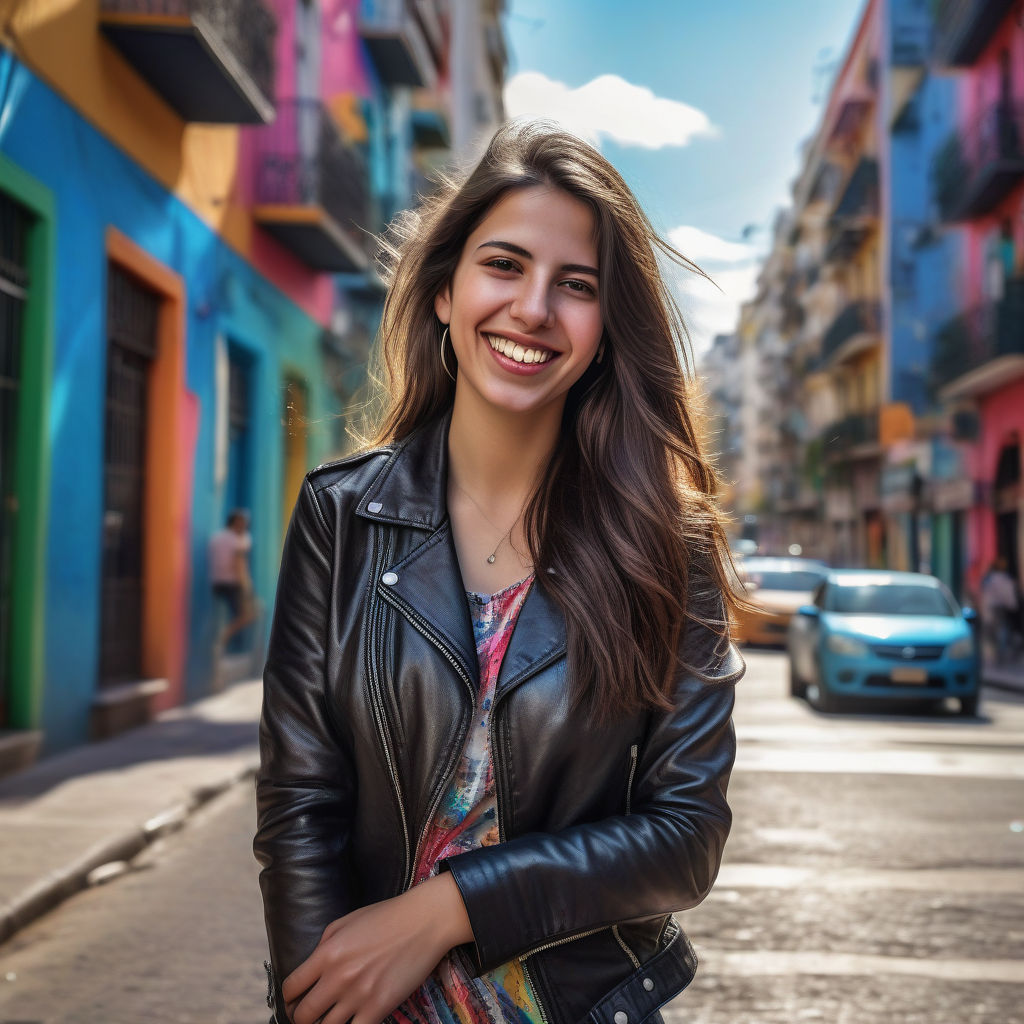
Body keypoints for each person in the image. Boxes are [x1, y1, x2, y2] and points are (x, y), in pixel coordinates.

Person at [254, 121, 745, 1024]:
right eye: (505, 265)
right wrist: (315, 999)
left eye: (577, 286)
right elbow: (299, 801)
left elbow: (686, 836)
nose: (533, 310)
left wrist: (449, 908)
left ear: (604, 328)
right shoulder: (341, 515)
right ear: (446, 290)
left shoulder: (667, 546)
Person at [209, 509, 256, 649]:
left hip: (217, 583)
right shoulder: (240, 540)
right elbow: (240, 564)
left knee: (223, 614)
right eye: (244, 523)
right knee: (248, 615)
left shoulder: (217, 537)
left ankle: (218, 636)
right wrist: (247, 587)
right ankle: (222, 638)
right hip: (233, 583)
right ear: (237, 522)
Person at [980, 557, 1018, 664]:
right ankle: (1000, 653)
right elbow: (1009, 594)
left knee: (997, 631)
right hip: (1000, 608)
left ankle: (999, 653)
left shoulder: (990, 578)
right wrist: (1012, 605)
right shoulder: (1005, 578)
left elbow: (986, 595)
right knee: (1000, 630)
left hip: (995, 608)